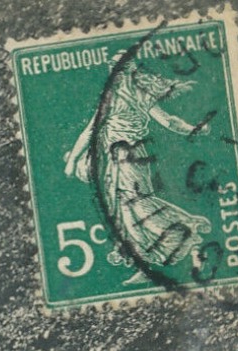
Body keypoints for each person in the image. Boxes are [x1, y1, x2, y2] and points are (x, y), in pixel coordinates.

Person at [63, 63, 212, 279]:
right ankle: (144, 256)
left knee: (134, 206)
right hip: (129, 156)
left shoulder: (114, 97)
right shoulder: (137, 95)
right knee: (128, 207)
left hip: (124, 157)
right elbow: (170, 122)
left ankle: (186, 232)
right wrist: (194, 129)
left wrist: (72, 161)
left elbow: (89, 132)